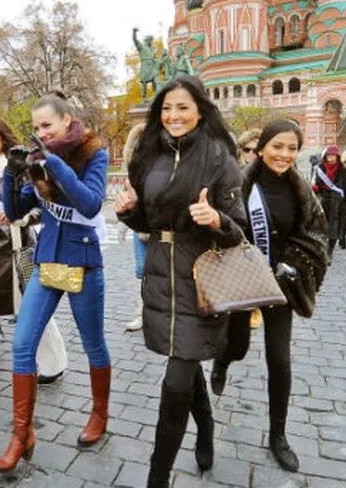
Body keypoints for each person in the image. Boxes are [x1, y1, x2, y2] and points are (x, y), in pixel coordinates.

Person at [115, 76, 248, 487]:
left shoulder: (218, 156)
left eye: (183, 107)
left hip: (201, 275)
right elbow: (149, 221)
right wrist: (129, 211)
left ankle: (158, 476)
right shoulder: (149, 154)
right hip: (159, 273)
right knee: (183, 363)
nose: (174, 115)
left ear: (200, 110)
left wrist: (217, 220)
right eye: (167, 108)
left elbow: (238, 229)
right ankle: (205, 427)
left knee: (176, 378)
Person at [0, 92, 111, 473]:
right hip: (47, 262)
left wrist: (53, 162)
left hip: (84, 263)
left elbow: (90, 202)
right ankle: (21, 433)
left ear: (65, 121)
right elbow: (15, 212)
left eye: (47, 125)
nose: (41, 132)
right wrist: (13, 174)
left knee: (93, 344)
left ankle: (99, 414)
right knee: (22, 344)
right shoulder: (35, 161)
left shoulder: (94, 152)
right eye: (37, 127)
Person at [211, 120, 329, 473]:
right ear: (262, 148)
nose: (285, 155)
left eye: (292, 148)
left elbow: (315, 234)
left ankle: (278, 435)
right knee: (239, 346)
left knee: (279, 358)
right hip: (243, 278)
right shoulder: (238, 185)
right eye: (278, 146)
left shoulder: (300, 190)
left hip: (281, 283)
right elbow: (222, 226)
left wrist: (291, 262)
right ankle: (223, 360)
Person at [0, 115, 68, 404]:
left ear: (3, 136)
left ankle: (53, 365)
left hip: (22, 253)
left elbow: (45, 208)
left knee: (34, 313)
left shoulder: (18, 166)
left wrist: (20, 217)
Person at [237, 128, 264, 330]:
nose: (251, 154)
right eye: (247, 149)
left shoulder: (269, 174)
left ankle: (255, 308)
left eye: (256, 150)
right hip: (238, 229)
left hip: (260, 230)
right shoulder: (233, 173)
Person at [121, 123, 148, 331]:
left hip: (160, 226)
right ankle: (141, 312)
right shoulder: (132, 169)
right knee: (141, 270)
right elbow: (127, 198)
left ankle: (156, 312)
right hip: (140, 225)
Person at [312, 145, 346, 253]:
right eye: (328, 156)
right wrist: (316, 188)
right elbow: (317, 184)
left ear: (337, 157)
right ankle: (323, 247)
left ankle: (329, 251)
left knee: (334, 227)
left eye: (333, 156)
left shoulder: (344, 171)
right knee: (321, 226)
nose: (331, 158)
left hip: (338, 203)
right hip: (323, 200)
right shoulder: (320, 169)